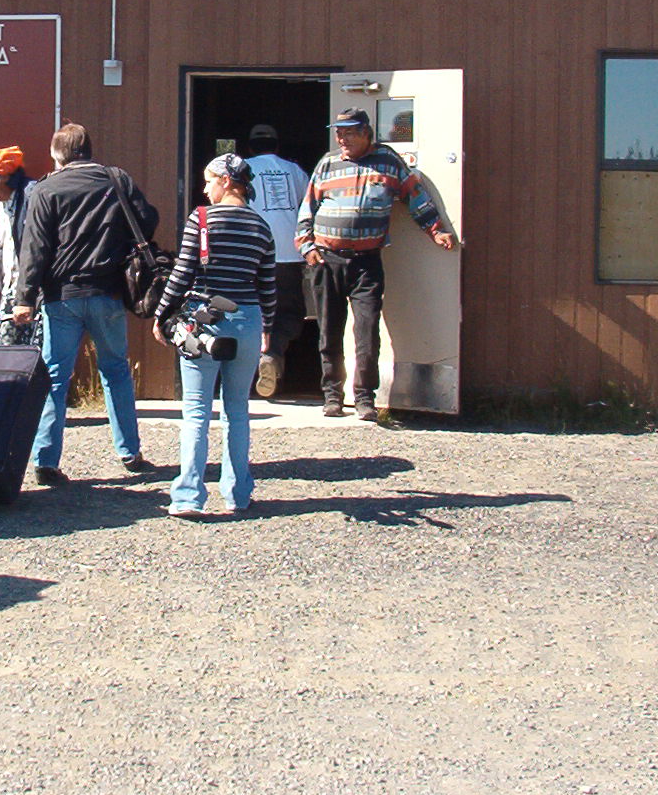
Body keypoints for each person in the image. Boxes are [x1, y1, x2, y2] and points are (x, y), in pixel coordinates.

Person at [12, 122, 159, 485]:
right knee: (116, 371)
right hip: (108, 291)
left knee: (56, 378)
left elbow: (35, 248)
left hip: (62, 296)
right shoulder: (116, 179)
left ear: (57, 155)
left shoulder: (46, 189)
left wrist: (24, 298)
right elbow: (148, 221)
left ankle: (46, 460)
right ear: (88, 150)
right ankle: (130, 452)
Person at [295, 107, 457, 420]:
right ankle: (331, 396)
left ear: (367, 133)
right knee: (329, 330)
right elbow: (307, 209)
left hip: (366, 262)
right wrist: (307, 248)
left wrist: (436, 231)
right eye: (339, 133)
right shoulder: (327, 165)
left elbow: (415, 196)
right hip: (326, 260)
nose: (343, 138)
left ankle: (364, 398)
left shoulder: (388, 162)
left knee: (367, 332)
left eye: (350, 132)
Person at [152, 153, 276, 518]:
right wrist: (267, 325)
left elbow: (182, 273)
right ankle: (238, 494)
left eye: (209, 181)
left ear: (226, 181)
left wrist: (161, 313)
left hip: (202, 320)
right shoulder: (261, 226)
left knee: (195, 410)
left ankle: (188, 497)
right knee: (237, 409)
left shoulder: (201, 220)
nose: (204, 189)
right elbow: (267, 285)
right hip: (248, 318)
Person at [244, 124, 309, 399]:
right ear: (277, 145)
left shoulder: (240, 168)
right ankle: (272, 353)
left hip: (251, 254)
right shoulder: (295, 170)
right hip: (288, 254)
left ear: (250, 146)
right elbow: (311, 205)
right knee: (289, 314)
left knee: (249, 315)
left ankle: (245, 379)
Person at [0, 146, 40, 347]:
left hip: (31, 288)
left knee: (33, 350)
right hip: (6, 286)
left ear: (3, 177)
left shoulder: (31, 196)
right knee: (3, 349)